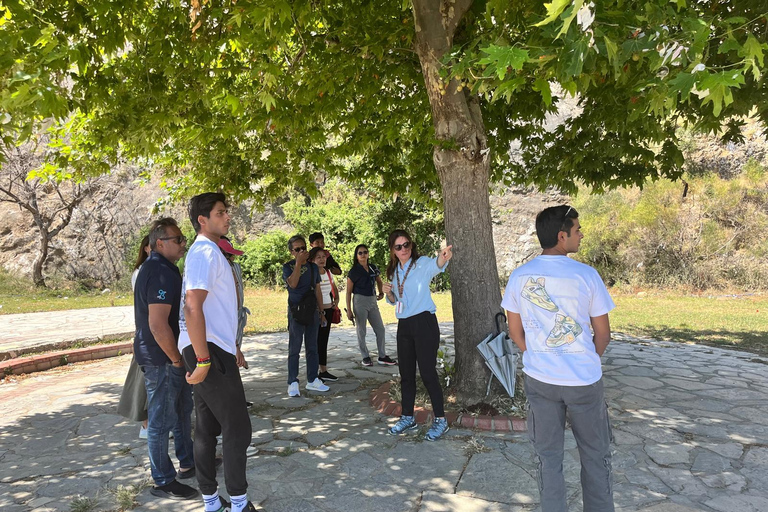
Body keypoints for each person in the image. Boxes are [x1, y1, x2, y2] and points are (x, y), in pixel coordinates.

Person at [501, 205, 615, 512]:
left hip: (541, 381)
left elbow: (515, 332)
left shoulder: (519, 277)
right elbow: (602, 334)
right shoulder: (587, 275)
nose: (581, 234)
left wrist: (539, 355)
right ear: (561, 236)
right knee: (596, 457)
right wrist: (586, 359)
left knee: (547, 459)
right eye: (577, 230)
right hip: (584, 383)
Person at [178, 193, 260, 512]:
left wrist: (232, 346)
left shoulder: (209, 251)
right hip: (206, 350)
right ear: (203, 219)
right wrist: (202, 359)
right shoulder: (204, 252)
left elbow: (213, 309)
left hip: (212, 346)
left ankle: (212, 502)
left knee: (208, 428)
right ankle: (238, 504)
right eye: (220, 212)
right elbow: (192, 305)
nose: (227, 217)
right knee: (238, 427)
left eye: (227, 212)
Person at [133, 218, 197, 500]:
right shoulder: (159, 272)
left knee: (183, 410)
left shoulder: (166, 269)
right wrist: (175, 359)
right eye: (178, 239)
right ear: (160, 243)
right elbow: (158, 325)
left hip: (171, 357)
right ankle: (163, 480)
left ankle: (188, 461)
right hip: (162, 359)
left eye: (183, 238)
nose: (183, 243)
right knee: (160, 420)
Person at [382, 230, 452, 441]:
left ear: (411, 245)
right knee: (406, 374)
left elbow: (437, 265)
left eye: (406, 245)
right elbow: (396, 300)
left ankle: (440, 419)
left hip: (424, 322)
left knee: (428, 373)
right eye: (398, 247)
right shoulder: (394, 271)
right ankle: (407, 416)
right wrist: (389, 292)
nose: (404, 249)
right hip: (404, 324)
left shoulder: (421, 263)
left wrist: (443, 256)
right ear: (393, 250)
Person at [283, 235, 330, 396]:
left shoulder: (313, 267)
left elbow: (317, 289)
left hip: (312, 311)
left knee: (312, 347)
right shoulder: (288, 267)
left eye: (304, 248)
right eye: (297, 249)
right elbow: (293, 283)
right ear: (291, 252)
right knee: (294, 348)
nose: (302, 251)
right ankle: (293, 382)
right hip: (296, 312)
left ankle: (312, 379)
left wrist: (321, 311)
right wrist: (298, 263)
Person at [119, 234, 151, 439]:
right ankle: (146, 424)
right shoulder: (141, 272)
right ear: (146, 248)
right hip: (148, 333)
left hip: (151, 332)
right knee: (142, 381)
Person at [345, 244, 396, 367]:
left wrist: (381, 292)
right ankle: (365, 357)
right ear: (356, 256)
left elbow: (379, 280)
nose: (363, 255)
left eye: (365, 252)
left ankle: (382, 356)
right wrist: (349, 310)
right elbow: (348, 291)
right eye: (360, 253)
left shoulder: (373, 268)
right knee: (361, 330)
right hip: (359, 300)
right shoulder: (354, 271)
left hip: (372, 300)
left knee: (380, 329)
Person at [218, 236, 250, 369]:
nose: (232, 259)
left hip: (237, 315)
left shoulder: (235, 267)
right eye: (230, 256)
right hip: (223, 318)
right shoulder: (218, 270)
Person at [308, 247, 339, 382]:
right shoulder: (312, 274)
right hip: (318, 311)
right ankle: (314, 372)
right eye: (318, 257)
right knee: (316, 341)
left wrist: (336, 300)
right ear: (312, 260)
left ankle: (323, 370)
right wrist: (321, 312)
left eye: (323, 256)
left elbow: (334, 287)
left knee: (324, 341)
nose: (322, 259)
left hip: (329, 309)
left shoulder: (327, 272)